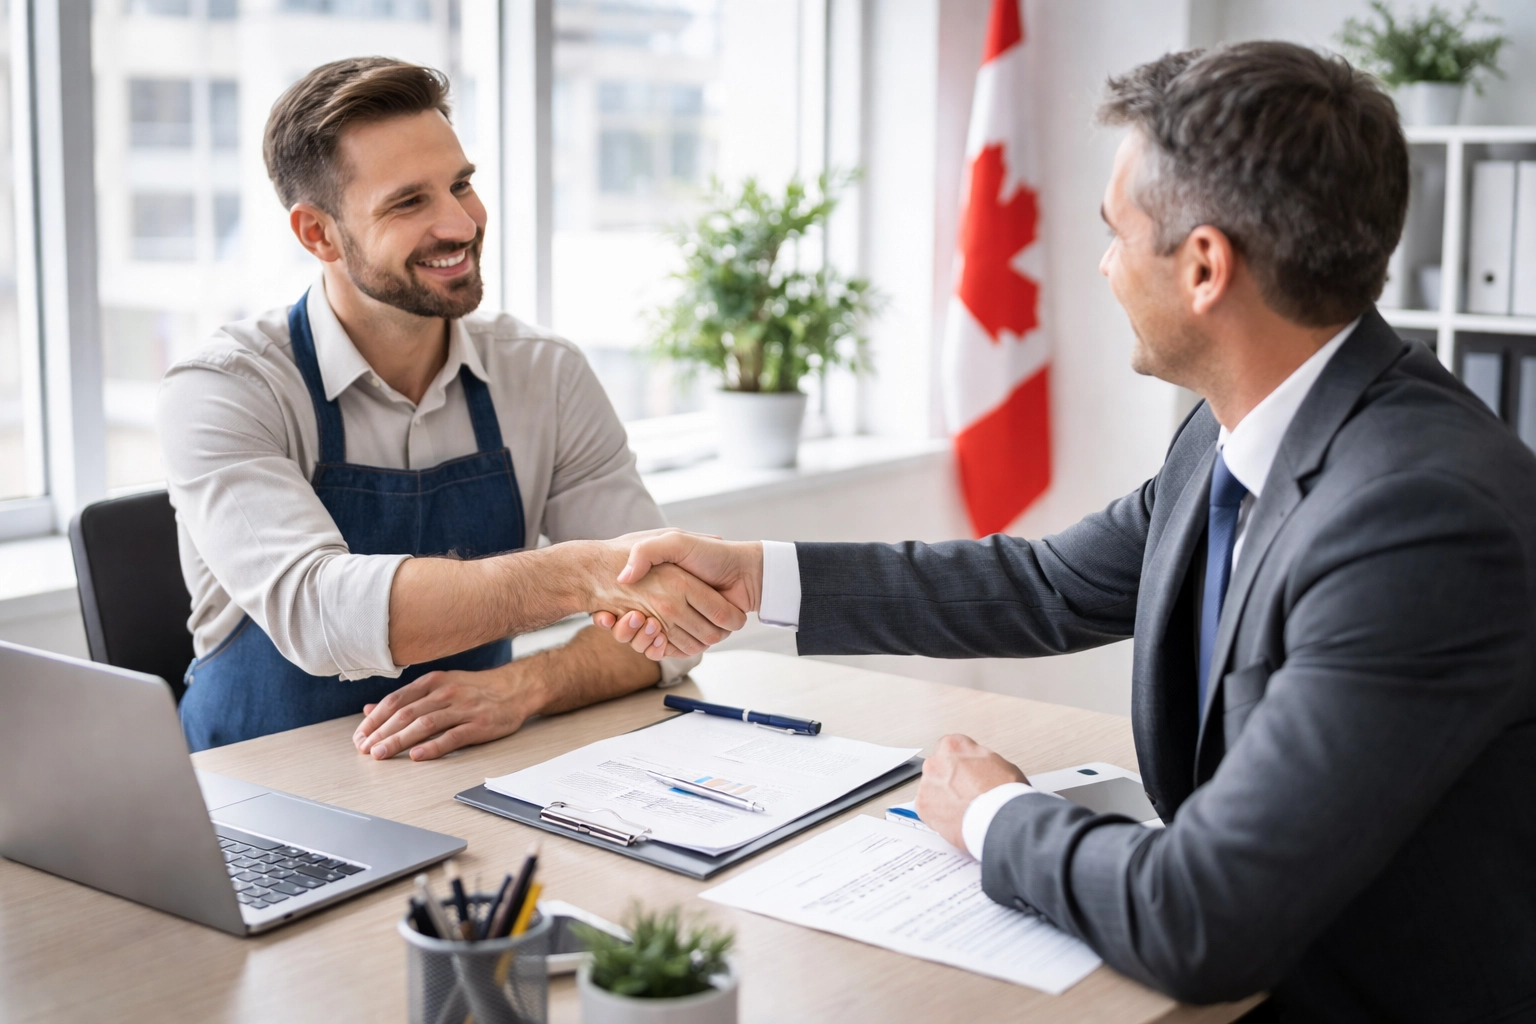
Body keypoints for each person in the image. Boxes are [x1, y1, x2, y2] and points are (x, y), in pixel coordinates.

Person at [591, 43, 1536, 1021]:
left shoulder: (1419, 523)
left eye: (1115, 232)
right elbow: (1046, 585)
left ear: (1206, 265)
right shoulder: (1240, 426)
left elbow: (1211, 921)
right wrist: (751, 577)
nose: (1101, 264)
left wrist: (995, 815)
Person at [159, 58, 742, 756]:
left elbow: (668, 627)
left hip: (454, 785)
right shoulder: (225, 388)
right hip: (250, 801)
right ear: (318, 234)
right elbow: (322, 614)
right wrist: (583, 574)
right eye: (409, 202)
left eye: (461, 184)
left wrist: (526, 686)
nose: (460, 224)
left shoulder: (544, 376)